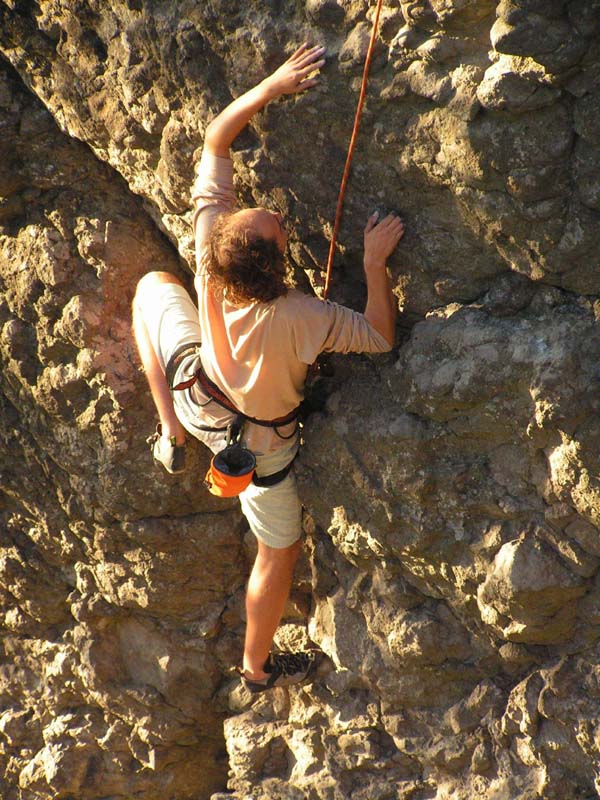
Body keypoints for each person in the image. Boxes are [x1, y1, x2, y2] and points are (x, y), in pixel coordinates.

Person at [132, 43, 405, 693]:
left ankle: (168, 432)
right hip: (260, 450)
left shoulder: (209, 251)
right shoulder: (304, 318)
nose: (279, 219)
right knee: (278, 555)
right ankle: (255, 668)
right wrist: (371, 266)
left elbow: (216, 141)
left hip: (197, 395)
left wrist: (270, 88)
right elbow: (378, 337)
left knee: (149, 290)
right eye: (279, 230)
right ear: (276, 266)